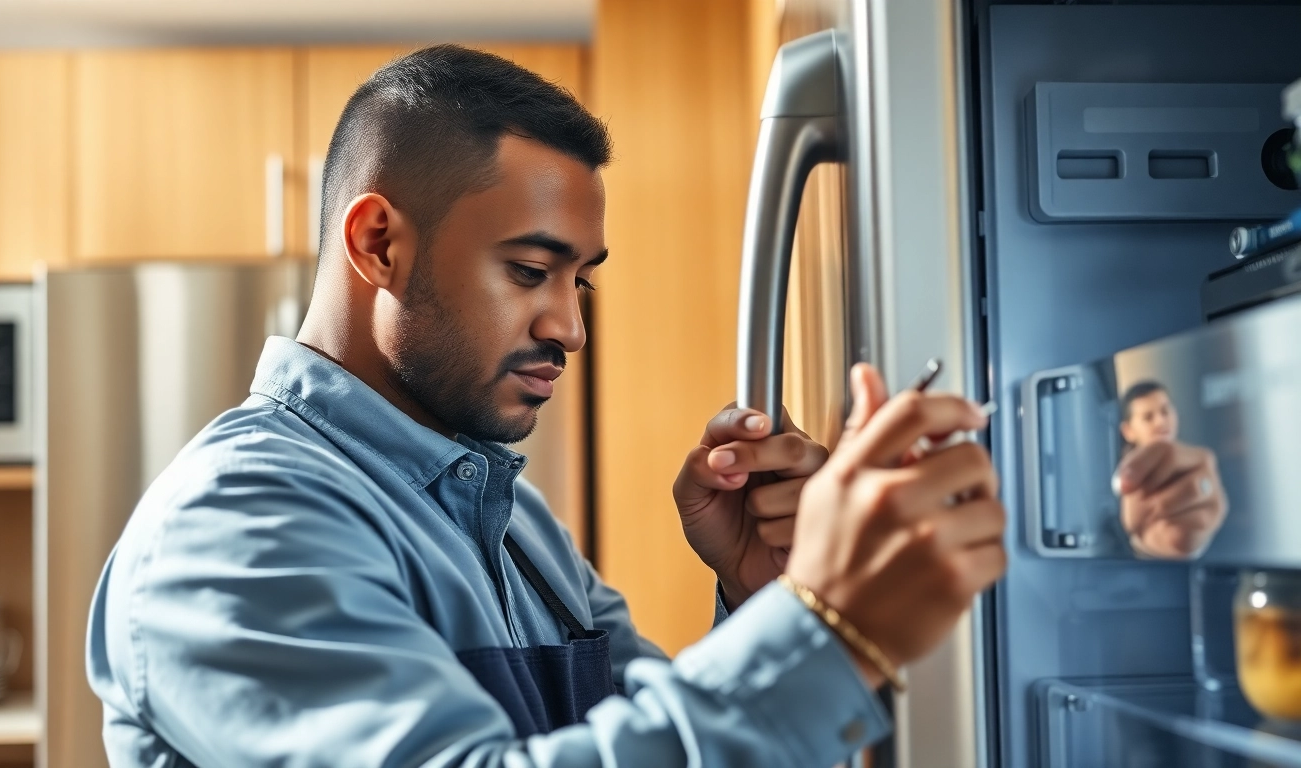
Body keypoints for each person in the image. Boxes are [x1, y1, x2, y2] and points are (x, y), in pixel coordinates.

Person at [86, 46, 1006, 767]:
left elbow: (631, 742)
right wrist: (827, 632)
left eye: (581, 281)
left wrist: (761, 598)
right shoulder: (236, 524)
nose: (570, 327)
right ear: (377, 244)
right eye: (530, 271)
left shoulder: (510, 516)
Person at [1116, 380, 1228, 560]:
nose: (1160, 422)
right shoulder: (1120, 485)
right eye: (1148, 417)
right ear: (1128, 431)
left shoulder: (1201, 467)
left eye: (1165, 411)